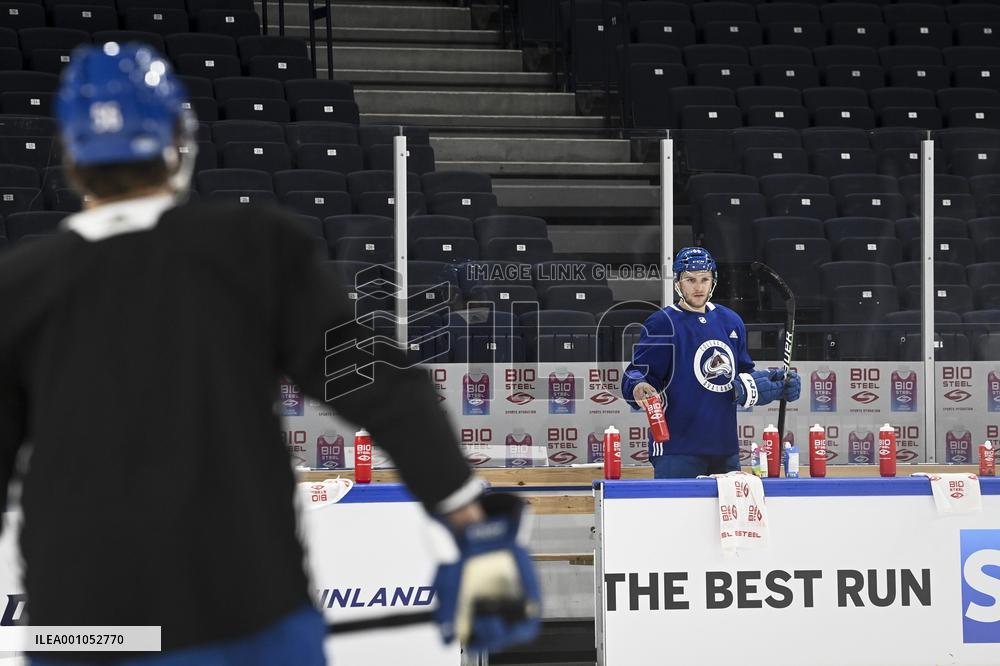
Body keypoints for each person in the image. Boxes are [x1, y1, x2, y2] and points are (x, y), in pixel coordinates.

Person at [0, 42, 538, 664]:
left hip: (84, 631)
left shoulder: (18, 286)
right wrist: (475, 530)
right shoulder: (255, 248)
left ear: (70, 156)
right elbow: (383, 385)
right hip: (248, 611)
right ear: (179, 141)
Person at [621, 247, 801, 479]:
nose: (698, 287)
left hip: (724, 447)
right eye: (691, 280)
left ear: (713, 281)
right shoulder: (662, 323)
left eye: (704, 279)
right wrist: (637, 386)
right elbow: (636, 373)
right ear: (678, 282)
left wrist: (775, 384)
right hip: (677, 449)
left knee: (727, 515)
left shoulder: (731, 321)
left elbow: (743, 378)